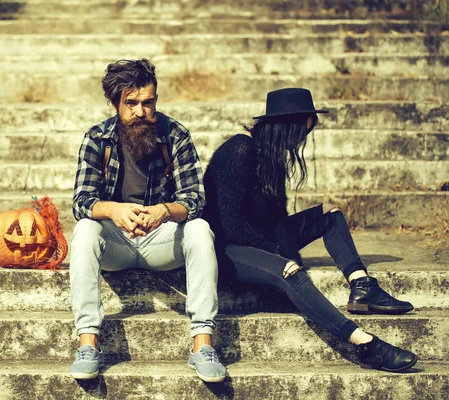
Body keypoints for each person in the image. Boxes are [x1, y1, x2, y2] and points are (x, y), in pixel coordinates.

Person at [203, 88, 418, 373]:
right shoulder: (239, 151)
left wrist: (286, 252)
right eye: (305, 127)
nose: (306, 135)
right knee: (290, 271)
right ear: (288, 126)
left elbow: (278, 219)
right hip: (228, 250)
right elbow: (231, 226)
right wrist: (282, 261)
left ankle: (362, 285)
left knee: (329, 213)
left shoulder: (271, 156)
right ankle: (365, 344)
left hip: (259, 238)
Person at [69, 59, 226, 382]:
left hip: (161, 242)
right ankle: (88, 343)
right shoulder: (98, 138)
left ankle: (202, 344)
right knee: (85, 229)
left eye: (148, 102)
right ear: (115, 103)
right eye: (131, 103)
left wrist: (164, 211)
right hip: (117, 243)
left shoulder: (175, 135)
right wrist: (114, 210)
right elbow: (81, 202)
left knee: (199, 229)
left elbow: (195, 200)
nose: (141, 111)